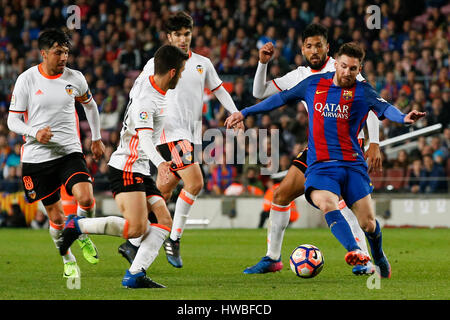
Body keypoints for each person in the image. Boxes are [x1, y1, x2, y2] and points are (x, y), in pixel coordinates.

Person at [226, 42, 426, 278]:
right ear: (336, 64)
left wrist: (403, 118)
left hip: (352, 164)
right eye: (343, 66)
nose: (347, 73)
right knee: (326, 203)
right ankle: (356, 253)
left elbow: (386, 109)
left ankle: (378, 256)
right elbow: (279, 99)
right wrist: (245, 112)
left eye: (353, 69)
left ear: (358, 68)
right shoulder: (313, 84)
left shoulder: (363, 91)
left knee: (368, 224)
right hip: (320, 164)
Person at [244, 23, 381, 275]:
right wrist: (262, 63)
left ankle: (366, 260)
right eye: (309, 46)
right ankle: (273, 258)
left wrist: (374, 142)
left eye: (319, 45)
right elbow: (259, 92)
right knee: (281, 195)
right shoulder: (299, 75)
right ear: (302, 49)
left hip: (348, 148)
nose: (314, 50)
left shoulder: (342, 67)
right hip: (318, 149)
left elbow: (370, 101)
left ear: (327, 47)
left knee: (345, 205)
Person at [118, 12, 244, 269]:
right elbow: (137, 96)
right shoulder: (156, 63)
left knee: (163, 191)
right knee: (195, 182)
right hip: (168, 134)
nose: (183, 39)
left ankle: (132, 243)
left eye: (187, 34)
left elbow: (219, 89)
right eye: (177, 35)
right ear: (168, 37)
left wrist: (235, 114)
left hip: (189, 136)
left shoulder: (202, 63)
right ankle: (173, 239)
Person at [58, 44, 189, 288]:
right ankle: (77, 224)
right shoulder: (147, 100)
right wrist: (161, 163)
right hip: (126, 167)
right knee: (136, 228)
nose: (181, 76)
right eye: (180, 71)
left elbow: (157, 58)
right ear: (172, 73)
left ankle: (135, 274)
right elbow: (146, 139)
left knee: (163, 220)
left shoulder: (148, 79)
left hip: (138, 168)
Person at [7, 29, 105, 278]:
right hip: (37, 158)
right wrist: (34, 132)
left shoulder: (75, 78)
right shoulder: (27, 80)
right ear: (44, 53)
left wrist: (96, 138)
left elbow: (90, 106)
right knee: (57, 218)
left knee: (85, 197)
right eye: (58, 52)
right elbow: (12, 121)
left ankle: (80, 233)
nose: (63, 57)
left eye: (66, 52)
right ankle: (67, 257)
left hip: (69, 151)